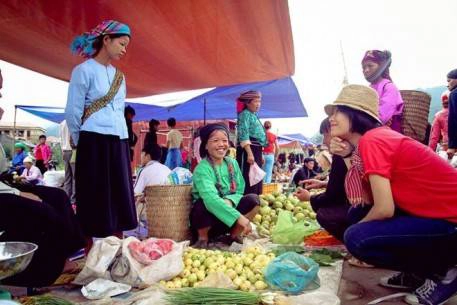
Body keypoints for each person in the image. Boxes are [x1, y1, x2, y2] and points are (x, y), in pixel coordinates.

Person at [326, 84, 457, 305]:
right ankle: (417, 273)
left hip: (451, 221)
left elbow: (384, 208)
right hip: (436, 217)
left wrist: (355, 232)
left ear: (355, 115)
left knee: (357, 237)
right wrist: (348, 155)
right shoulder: (373, 139)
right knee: (357, 214)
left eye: (338, 111)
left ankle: (446, 271)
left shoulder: (373, 141)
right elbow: (366, 199)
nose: (331, 118)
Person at [65, 20, 137, 244]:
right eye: (121, 43)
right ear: (106, 40)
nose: (124, 49)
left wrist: (124, 140)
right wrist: (81, 140)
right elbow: (73, 111)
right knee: (92, 194)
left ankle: (117, 249)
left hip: (119, 140)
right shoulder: (83, 71)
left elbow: (119, 110)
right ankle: (89, 252)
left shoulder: (120, 76)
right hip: (92, 140)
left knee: (120, 193)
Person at [190, 123, 260, 248]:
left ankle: (233, 236)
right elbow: (210, 199)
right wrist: (239, 217)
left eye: (224, 140)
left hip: (227, 218)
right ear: (206, 145)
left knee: (254, 200)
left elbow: (240, 189)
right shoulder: (202, 169)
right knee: (201, 204)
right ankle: (202, 239)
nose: (221, 144)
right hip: (208, 221)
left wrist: (230, 200)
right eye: (215, 140)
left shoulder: (232, 163)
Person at [295, 118, 351, 242]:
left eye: (326, 135)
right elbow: (345, 184)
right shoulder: (348, 151)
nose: (325, 140)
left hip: (366, 214)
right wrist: (325, 184)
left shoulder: (341, 155)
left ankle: (353, 241)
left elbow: (334, 196)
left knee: (324, 214)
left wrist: (309, 197)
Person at [362, 50, 404, 132]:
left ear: (381, 66)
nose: (366, 70)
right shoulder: (368, 89)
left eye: (370, 66)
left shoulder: (389, 87)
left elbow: (382, 116)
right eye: (364, 67)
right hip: (370, 128)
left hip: (389, 132)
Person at [236, 91, 267, 195]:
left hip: (256, 150)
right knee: (248, 176)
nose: (258, 104)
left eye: (260, 101)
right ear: (248, 103)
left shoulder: (253, 115)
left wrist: (260, 154)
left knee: (256, 176)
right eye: (255, 101)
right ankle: (247, 200)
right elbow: (243, 134)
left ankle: (255, 199)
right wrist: (249, 153)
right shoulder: (244, 115)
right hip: (248, 149)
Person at [60, 120, 76, 204]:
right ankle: (73, 199)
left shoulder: (62, 123)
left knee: (67, 176)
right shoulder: (75, 121)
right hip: (73, 151)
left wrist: (62, 150)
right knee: (75, 177)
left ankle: (66, 197)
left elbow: (61, 139)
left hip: (65, 151)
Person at [446, 68, 457, 160]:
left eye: (449, 80)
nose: (447, 84)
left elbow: (453, 120)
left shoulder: (454, 94)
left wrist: (452, 145)